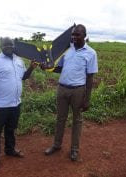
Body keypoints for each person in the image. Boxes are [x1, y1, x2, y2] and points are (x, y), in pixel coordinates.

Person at [42, 24, 98, 161]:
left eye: (77, 35)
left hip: (78, 90)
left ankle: (74, 150)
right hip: (62, 89)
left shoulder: (91, 53)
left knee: (77, 121)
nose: (74, 37)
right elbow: (59, 69)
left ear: (84, 36)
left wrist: (87, 99)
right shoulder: (68, 51)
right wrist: (47, 68)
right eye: (73, 34)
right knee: (60, 118)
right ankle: (56, 145)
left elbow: (90, 78)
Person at [0, 37, 37, 170]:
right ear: (1, 46)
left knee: (11, 129)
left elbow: (23, 77)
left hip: (15, 104)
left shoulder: (19, 60)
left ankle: (10, 149)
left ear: (14, 46)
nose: (8, 47)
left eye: (10, 45)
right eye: (5, 45)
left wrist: (31, 68)